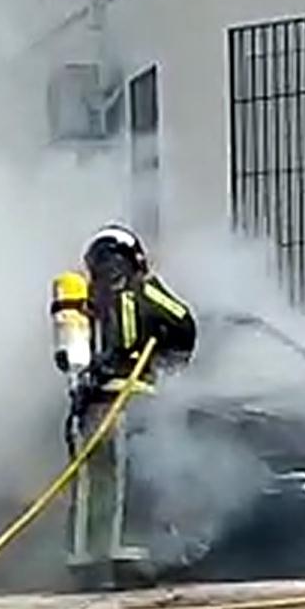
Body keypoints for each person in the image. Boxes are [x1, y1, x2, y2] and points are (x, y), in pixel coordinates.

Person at [67, 224, 197, 588]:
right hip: (129, 400)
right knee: (131, 480)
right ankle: (126, 558)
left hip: (94, 406)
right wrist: (168, 355)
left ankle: (86, 559)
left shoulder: (91, 301)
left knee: (96, 482)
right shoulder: (135, 291)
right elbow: (183, 322)